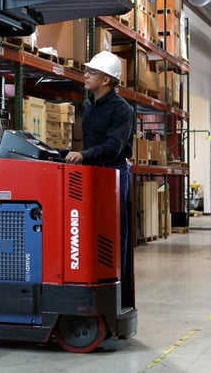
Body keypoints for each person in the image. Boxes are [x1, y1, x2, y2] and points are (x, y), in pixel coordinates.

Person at [64, 50, 135, 307]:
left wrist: (83, 156)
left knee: (115, 234)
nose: (86, 75)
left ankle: (118, 292)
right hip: (92, 170)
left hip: (114, 173)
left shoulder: (122, 111)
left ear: (106, 80)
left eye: (91, 72)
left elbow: (114, 147)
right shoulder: (88, 104)